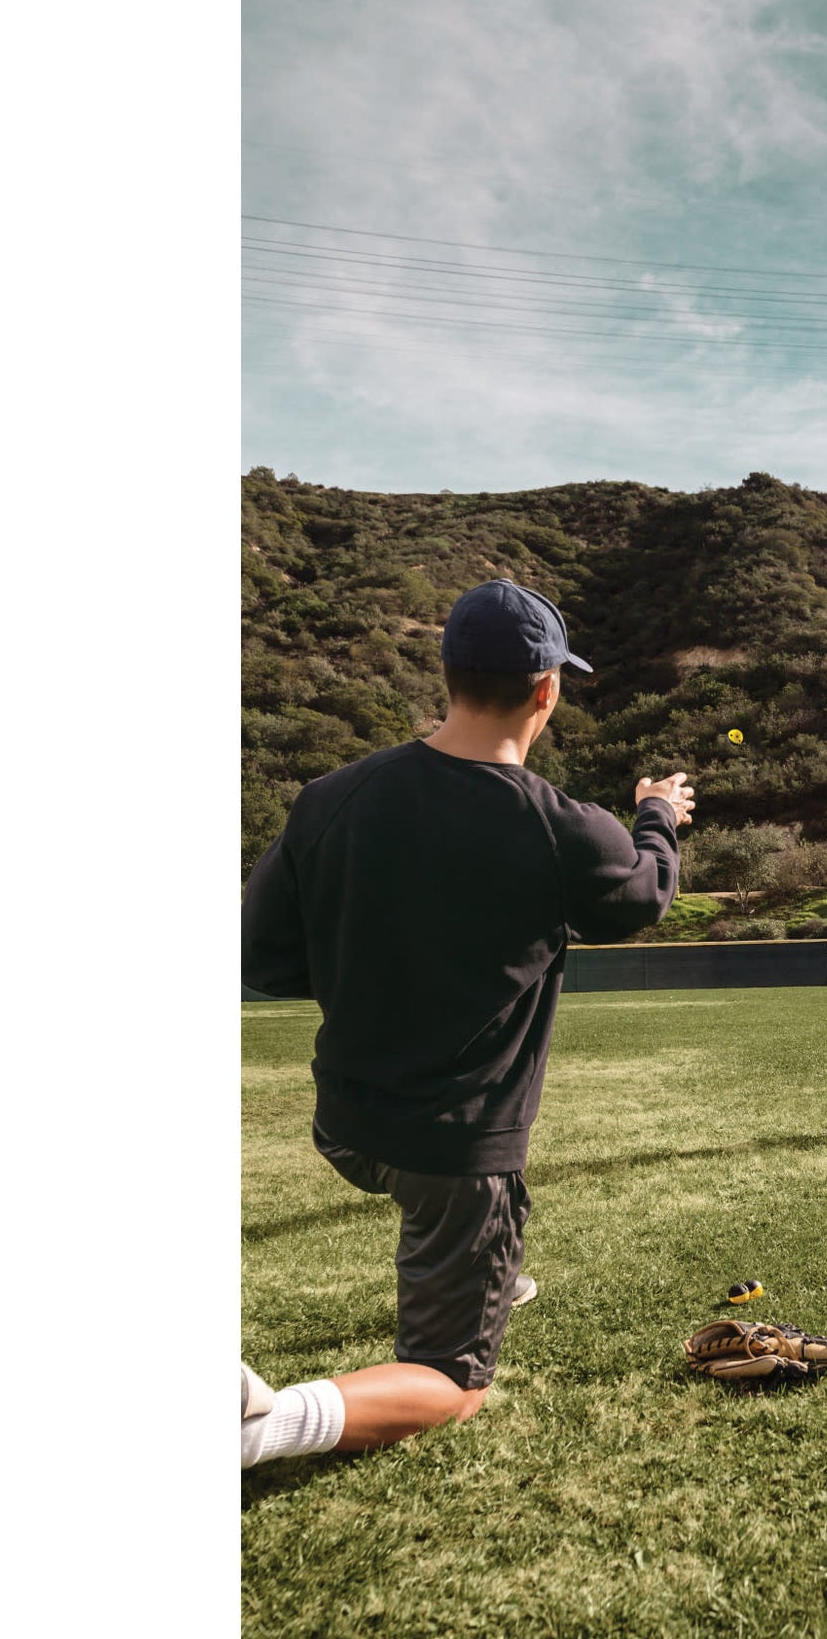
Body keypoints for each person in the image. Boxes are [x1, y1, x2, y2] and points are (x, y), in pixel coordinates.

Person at [239, 578, 694, 1469]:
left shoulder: (329, 797)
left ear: (447, 675)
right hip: (452, 1158)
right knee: (452, 1383)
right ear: (546, 691)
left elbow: (260, 959)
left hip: (346, 1125)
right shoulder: (562, 825)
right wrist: (657, 816)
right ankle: (260, 1422)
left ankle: (494, 1268)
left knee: (438, 1208)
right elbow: (643, 896)